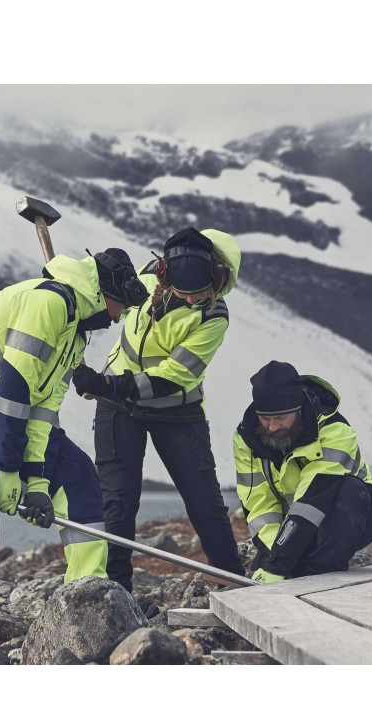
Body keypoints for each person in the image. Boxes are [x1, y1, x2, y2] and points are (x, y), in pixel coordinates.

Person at [0, 248, 149, 641]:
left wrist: (36, 480)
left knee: (77, 478)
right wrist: (8, 471)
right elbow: (16, 387)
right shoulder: (48, 302)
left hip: (3, 411)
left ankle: (87, 606)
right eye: (120, 305)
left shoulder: (76, 333)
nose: (119, 316)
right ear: (105, 291)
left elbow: (42, 411)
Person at [69, 227, 245, 609]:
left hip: (176, 410)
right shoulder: (146, 278)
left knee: (204, 501)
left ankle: (231, 581)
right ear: (164, 274)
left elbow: (174, 376)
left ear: (216, 277)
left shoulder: (214, 316)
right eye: (183, 291)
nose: (191, 298)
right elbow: (101, 295)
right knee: (117, 500)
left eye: (199, 292)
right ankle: (118, 595)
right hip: (118, 407)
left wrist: (107, 386)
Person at [231, 360, 372, 582]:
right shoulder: (246, 437)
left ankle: (322, 574)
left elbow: (312, 499)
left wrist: (279, 563)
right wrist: (271, 556)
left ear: (298, 410)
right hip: (294, 525)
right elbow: (258, 504)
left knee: (349, 489)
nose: (272, 427)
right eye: (265, 418)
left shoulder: (335, 430)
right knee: (271, 569)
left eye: (281, 418)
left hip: (354, 517)